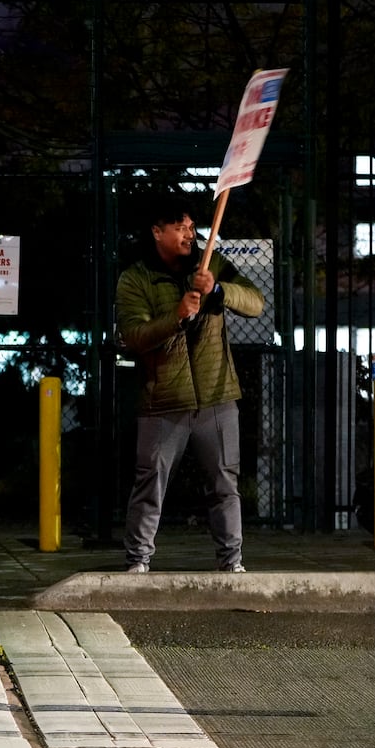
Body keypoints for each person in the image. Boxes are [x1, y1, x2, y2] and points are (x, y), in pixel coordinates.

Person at [117, 194, 265, 574]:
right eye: (179, 227)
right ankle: (138, 561)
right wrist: (177, 316)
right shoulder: (136, 278)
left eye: (191, 227)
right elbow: (134, 335)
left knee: (224, 483)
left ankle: (231, 561)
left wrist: (218, 290)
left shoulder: (209, 263)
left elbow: (255, 302)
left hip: (217, 396)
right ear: (157, 232)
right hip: (163, 400)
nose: (189, 234)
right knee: (150, 484)